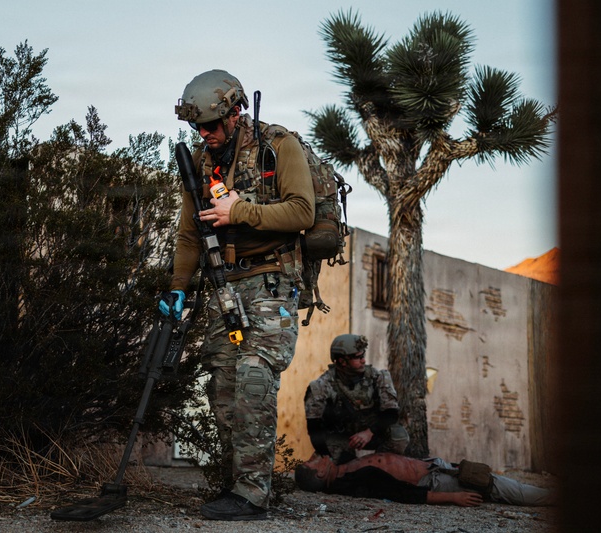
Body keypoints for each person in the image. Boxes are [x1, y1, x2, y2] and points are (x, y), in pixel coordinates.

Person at [160, 69, 314, 521]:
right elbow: (189, 235)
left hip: (271, 280)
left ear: (235, 112)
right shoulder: (201, 164)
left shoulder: (279, 145)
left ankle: (251, 493)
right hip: (224, 286)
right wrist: (177, 288)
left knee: (253, 375)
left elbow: (302, 210)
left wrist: (239, 211)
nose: (204, 134)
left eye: (211, 125)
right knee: (223, 386)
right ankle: (239, 483)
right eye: (197, 127)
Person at [295, 452, 555, 507]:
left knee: (497, 482)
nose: (314, 456)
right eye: (312, 461)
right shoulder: (356, 482)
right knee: (502, 487)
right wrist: (453, 497)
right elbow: (404, 494)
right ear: (320, 473)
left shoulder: (345, 466)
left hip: (437, 469)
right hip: (436, 483)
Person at [304, 334, 409, 465]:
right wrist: (326, 456)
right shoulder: (321, 386)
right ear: (342, 361)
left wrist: (369, 432)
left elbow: (391, 414)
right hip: (342, 439)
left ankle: (380, 468)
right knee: (317, 477)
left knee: (399, 436)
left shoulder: (378, 377)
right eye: (358, 357)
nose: (364, 360)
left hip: (374, 433)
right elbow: (314, 427)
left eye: (363, 355)